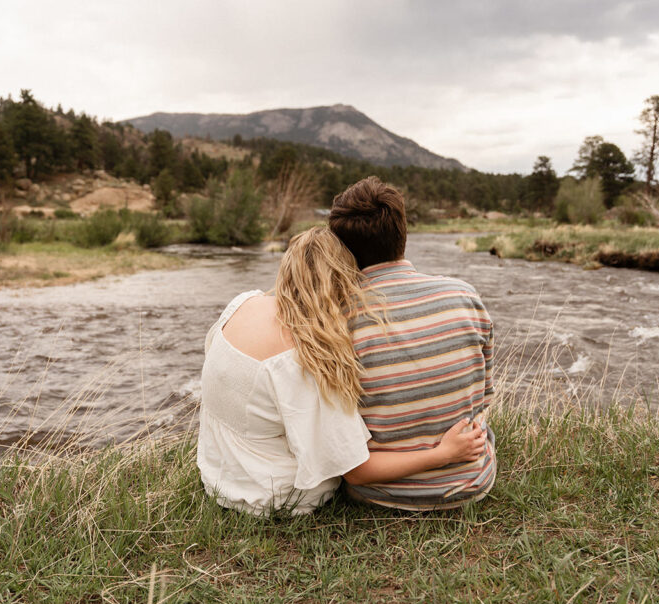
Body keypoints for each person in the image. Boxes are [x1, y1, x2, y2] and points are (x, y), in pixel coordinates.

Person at [196, 226, 488, 516]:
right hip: (270, 495)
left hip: (218, 473)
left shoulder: (242, 304)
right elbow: (357, 472)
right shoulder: (304, 361)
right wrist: (444, 454)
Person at [329, 177, 498, 511]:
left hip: (379, 495)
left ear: (342, 248)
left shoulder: (338, 319)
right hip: (471, 482)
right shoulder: (464, 295)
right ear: (403, 232)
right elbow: (484, 393)